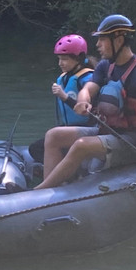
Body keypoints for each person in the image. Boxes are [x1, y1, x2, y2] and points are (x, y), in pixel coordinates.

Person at [32, 14, 136, 190]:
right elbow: (88, 89)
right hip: (109, 132)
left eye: (102, 39)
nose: (97, 45)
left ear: (119, 39)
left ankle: (39, 191)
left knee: (81, 146)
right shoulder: (105, 66)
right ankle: (47, 193)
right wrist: (83, 100)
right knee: (53, 135)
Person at [28, 34, 98, 171]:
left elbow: (87, 111)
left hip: (87, 129)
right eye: (59, 59)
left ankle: (65, 173)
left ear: (79, 59)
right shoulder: (65, 78)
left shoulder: (88, 78)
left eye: (65, 59)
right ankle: (61, 171)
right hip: (69, 128)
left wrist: (65, 97)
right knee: (35, 148)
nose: (60, 63)